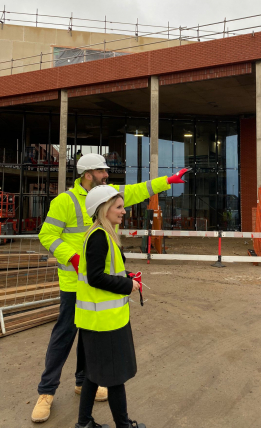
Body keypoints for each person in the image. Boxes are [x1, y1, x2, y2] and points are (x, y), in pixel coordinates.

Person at [32, 152, 190, 423]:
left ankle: (84, 381)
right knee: (65, 335)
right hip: (74, 282)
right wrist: (73, 257)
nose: (107, 175)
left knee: (90, 338)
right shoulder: (65, 202)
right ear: (87, 174)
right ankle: (46, 392)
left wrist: (168, 180)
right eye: (101, 172)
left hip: (96, 285)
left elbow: (139, 189)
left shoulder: (106, 194)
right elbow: (47, 234)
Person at [76, 170, 190, 428]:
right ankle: (124, 425)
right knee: (115, 378)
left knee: (93, 375)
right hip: (105, 322)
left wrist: (126, 275)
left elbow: (105, 271)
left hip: (96, 320)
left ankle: (84, 424)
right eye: (118, 207)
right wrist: (128, 284)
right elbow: (95, 278)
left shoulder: (101, 235)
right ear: (104, 209)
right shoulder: (99, 237)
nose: (123, 211)